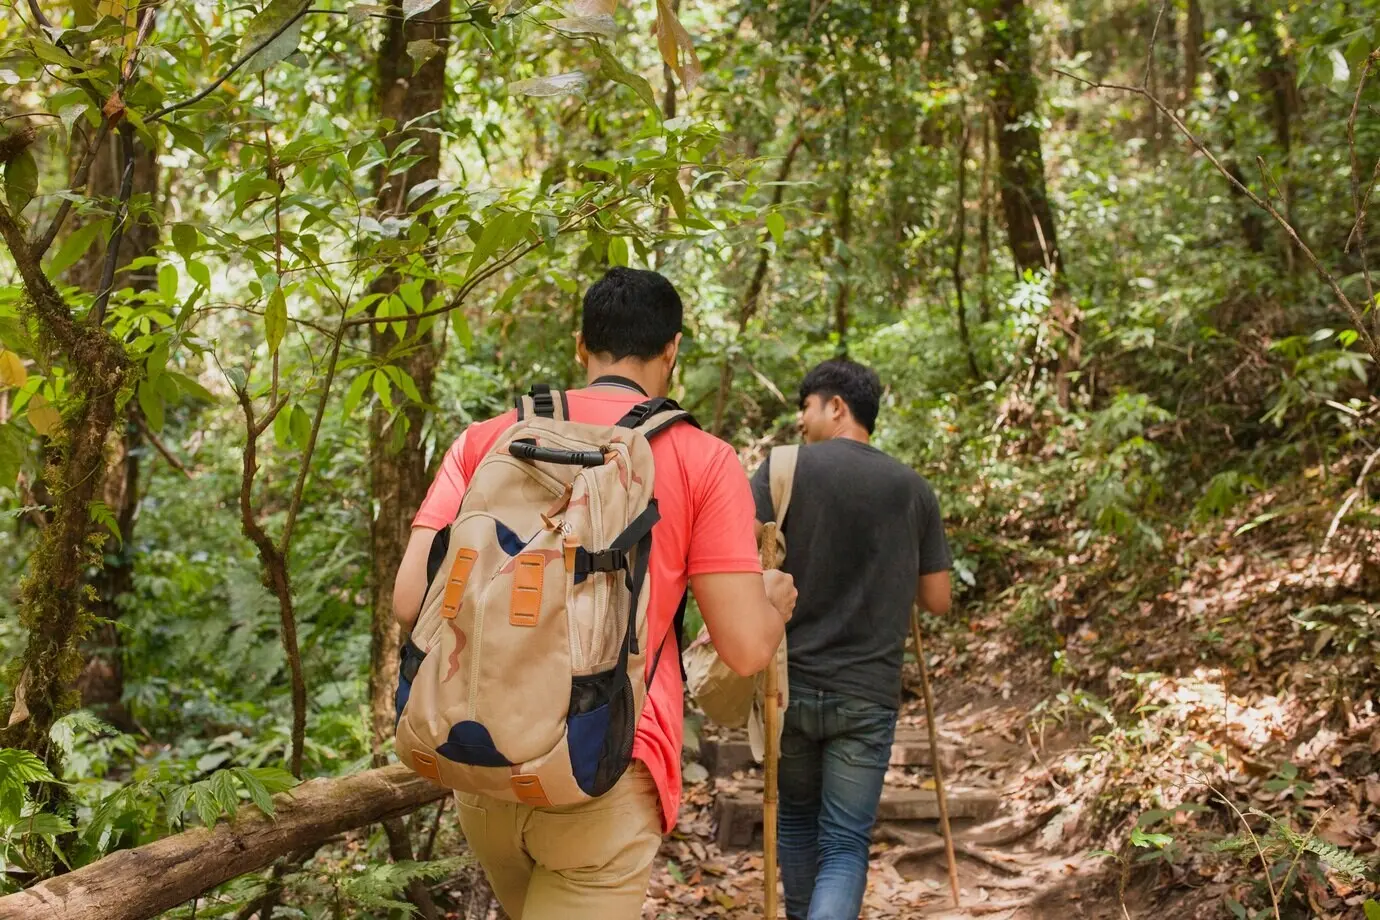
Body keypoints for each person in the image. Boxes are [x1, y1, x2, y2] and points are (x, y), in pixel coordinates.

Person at [392, 267, 797, 920]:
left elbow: (410, 601)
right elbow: (744, 650)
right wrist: (772, 602)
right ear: (672, 350)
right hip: (602, 766)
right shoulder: (703, 459)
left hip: (484, 760)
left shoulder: (486, 440)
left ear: (581, 346)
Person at [751, 358, 952, 920]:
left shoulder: (783, 470)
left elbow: (740, 561)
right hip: (866, 693)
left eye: (806, 406)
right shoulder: (913, 489)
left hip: (789, 685)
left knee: (794, 818)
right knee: (843, 842)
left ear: (835, 406)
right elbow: (937, 599)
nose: (800, 420)